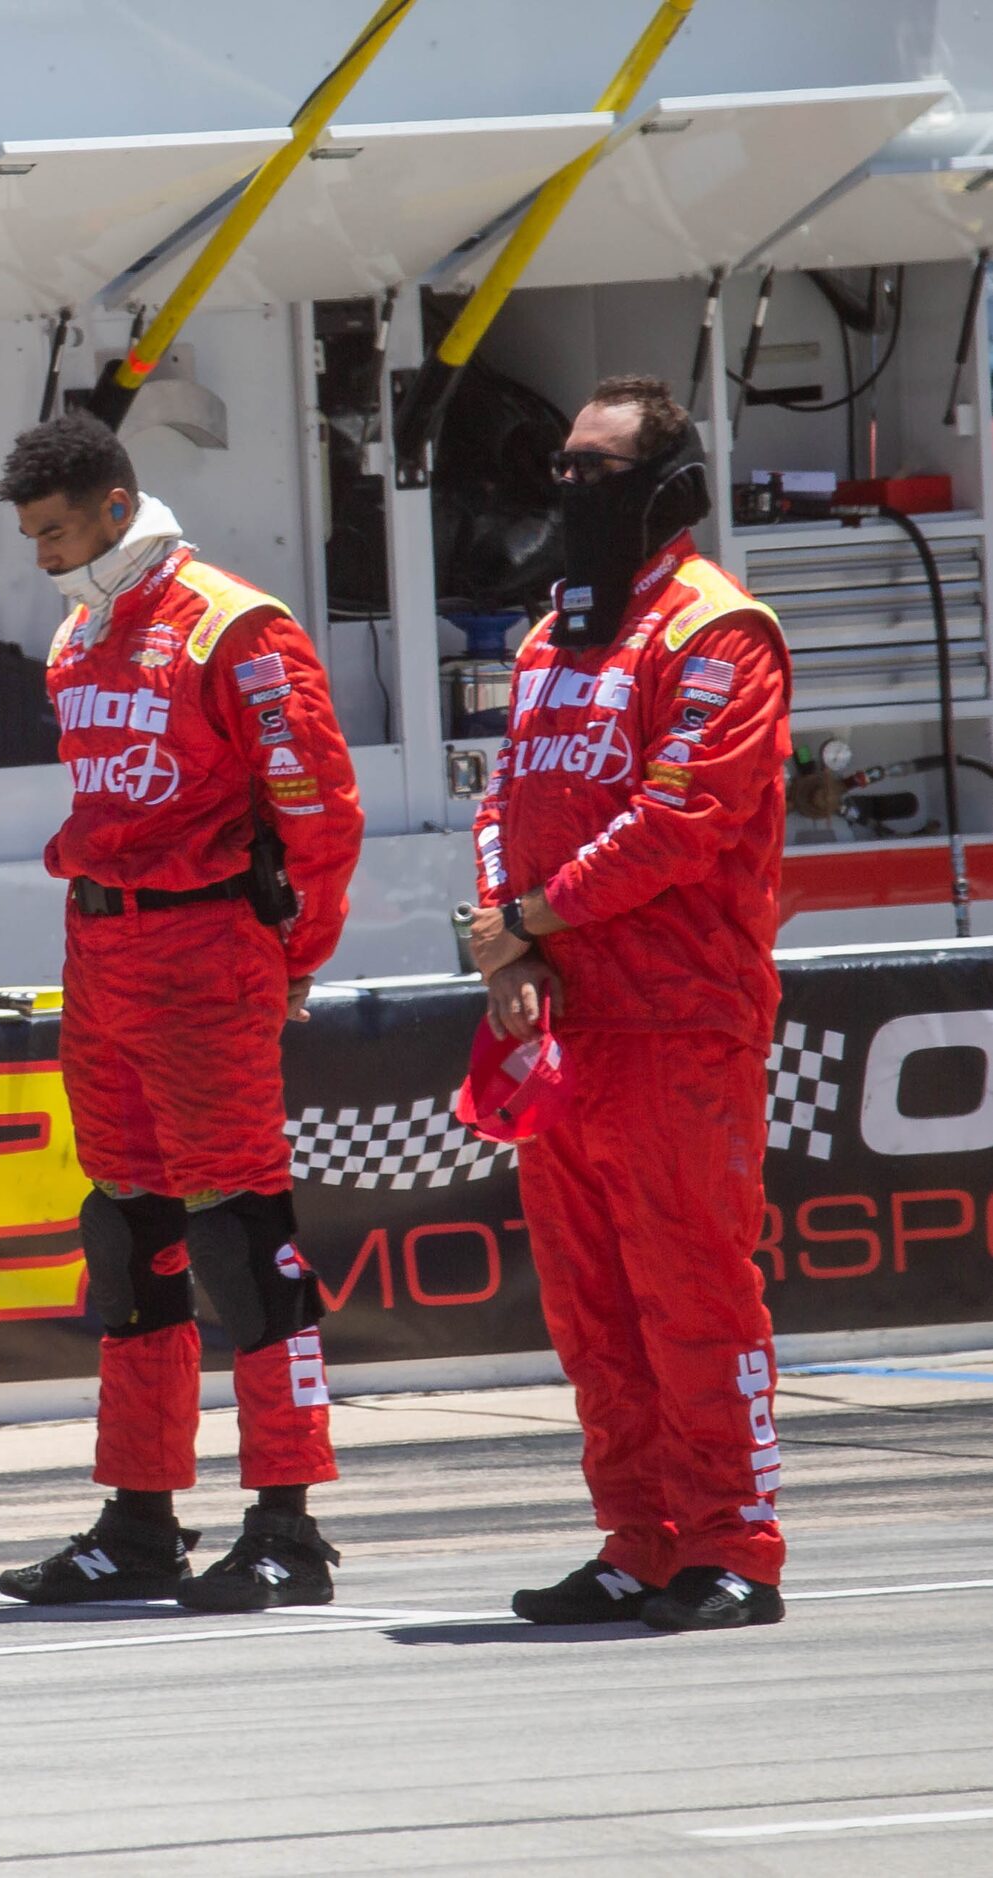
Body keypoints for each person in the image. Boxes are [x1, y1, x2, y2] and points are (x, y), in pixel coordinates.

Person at [0, 414, 363, 1611]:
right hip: (101, 946)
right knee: (125, 1229)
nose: (43, 557)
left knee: (242, 1235)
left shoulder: (232, 623)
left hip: (207, 945)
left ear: (114, 506)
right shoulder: (79, 630)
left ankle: (286, 1523)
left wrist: (291, 955)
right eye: (31, 538)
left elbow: (321, 813)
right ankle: (140, 1518)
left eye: (55, 532)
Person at [465, 375, 792, 1632]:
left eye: (595, 470)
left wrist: (533, 920)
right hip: (563, 1025)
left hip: (678, 1026)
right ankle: (638, 1542)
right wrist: (509, 949)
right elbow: (502, 805)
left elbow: (682, 821)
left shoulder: (720, 631)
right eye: (562, 468)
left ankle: (734, 1551)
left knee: (694, 1298)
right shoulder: (552, 634)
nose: (569, 490)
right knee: (594, 1314)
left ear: (664, 487)